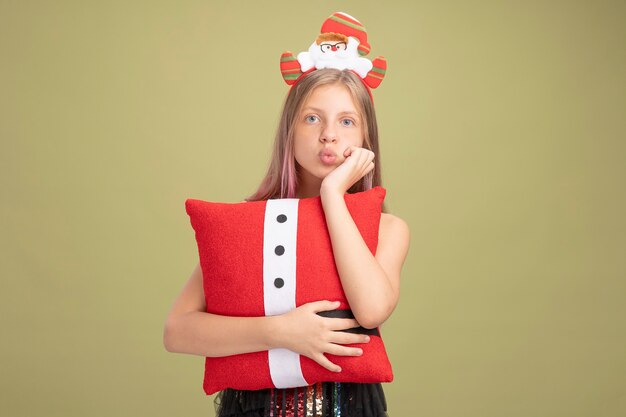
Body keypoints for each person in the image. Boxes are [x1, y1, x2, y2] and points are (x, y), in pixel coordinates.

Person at [163, 12, 410, 417]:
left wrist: (333, 194)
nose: (329, 134)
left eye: (347, 122)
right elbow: (177, 331)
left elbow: (371, 310)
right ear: (289, 131)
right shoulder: (248, 226)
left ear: (367, 138)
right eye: (312, 118)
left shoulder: (388, 229)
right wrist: (280, 331)